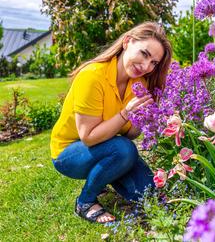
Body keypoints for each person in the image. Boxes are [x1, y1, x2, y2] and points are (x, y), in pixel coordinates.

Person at [50, 22, 172, 224]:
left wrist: (143, 119)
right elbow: (88, 138)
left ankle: (108, 174)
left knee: (151, 197)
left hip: (108, 147)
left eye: (153, 63)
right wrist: (126, 113)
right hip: (69, 153)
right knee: (124, 150)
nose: (146, 65)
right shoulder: (92, 76)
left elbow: (130, 134)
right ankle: (85, 202)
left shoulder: (138, 84)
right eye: (144, 53)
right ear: (127, 42)